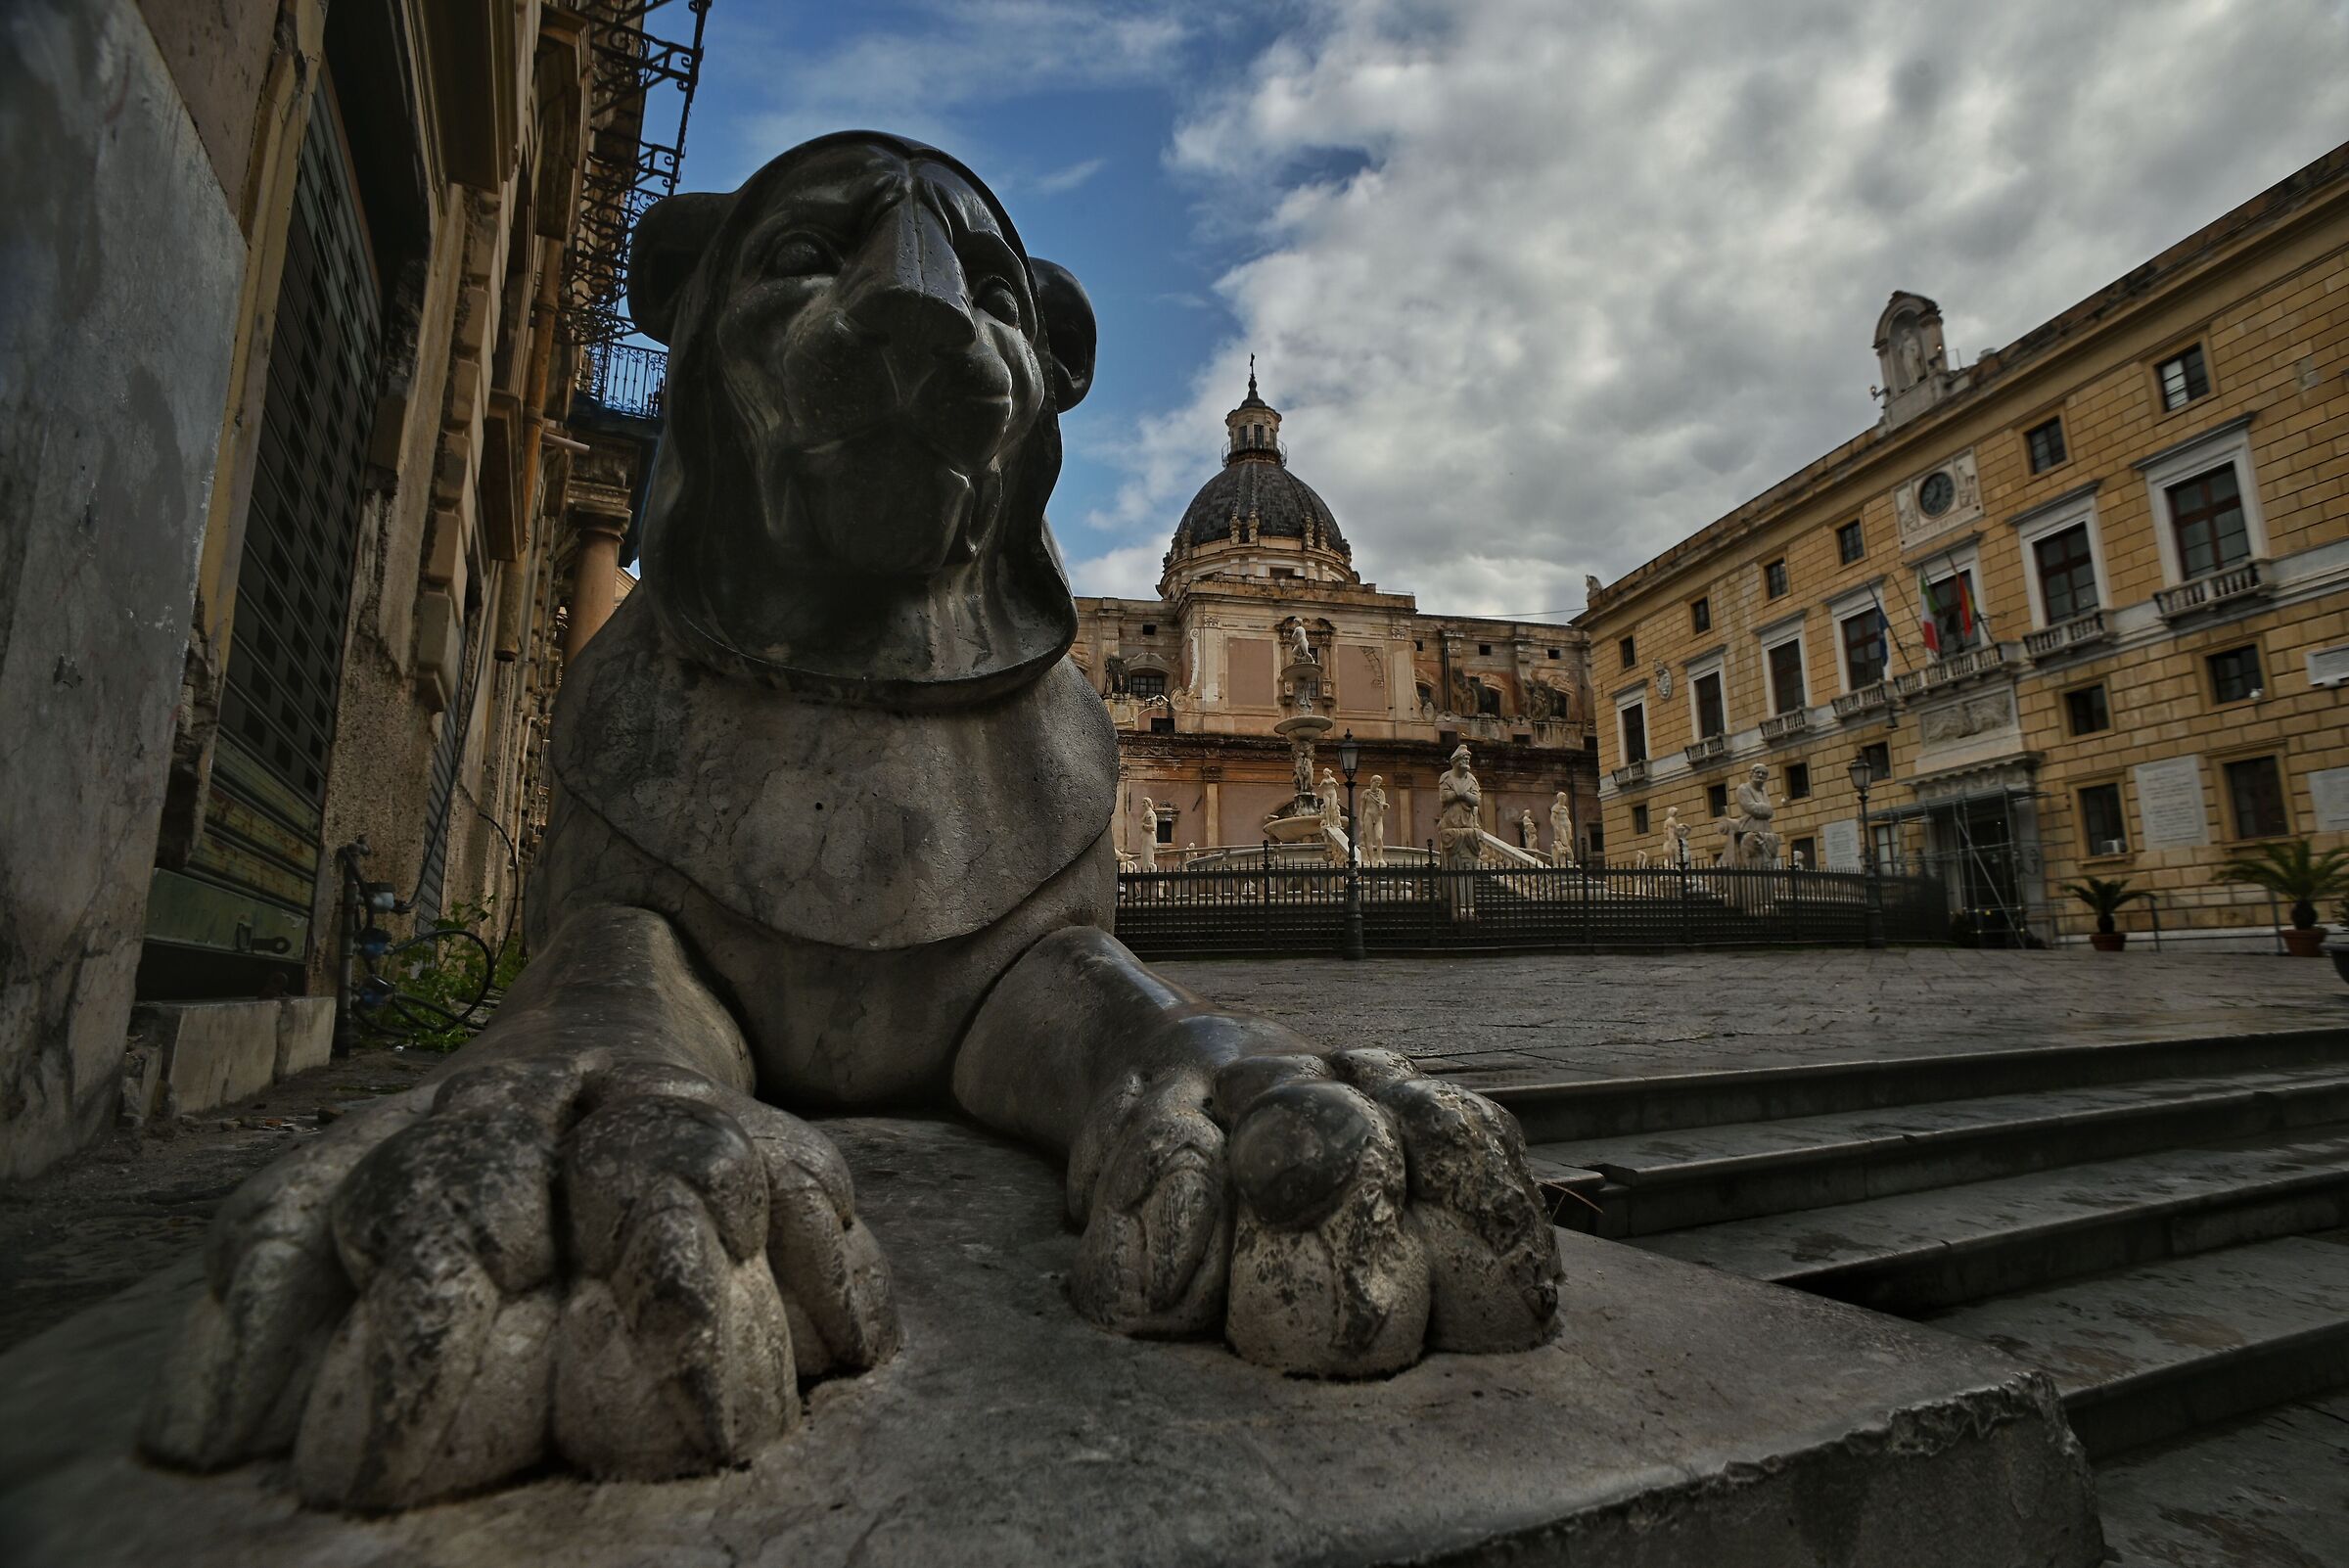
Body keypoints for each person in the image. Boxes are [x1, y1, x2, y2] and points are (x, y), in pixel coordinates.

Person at [1437, 746, 1483, 870]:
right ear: (1456, 761)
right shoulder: (1446, 777)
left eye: (1468, 759)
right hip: (1451, 820)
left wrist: (1460, 794)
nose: (1467, 760)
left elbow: (1476, 800)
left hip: (1468, 822)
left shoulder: (1472, 779)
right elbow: (1444, 797)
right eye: (1464, 758)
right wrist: (1464, 794)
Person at [1359, 774, 1388, 867]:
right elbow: (1362, 808)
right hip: (1368, 816)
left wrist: (1385, 806)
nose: (1378, 785)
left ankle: (1380, 858)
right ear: (1372, 782)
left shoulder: (1381, 793)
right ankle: (1371, 859)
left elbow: (1383, 803)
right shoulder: (1366, 794)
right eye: (1377, 782)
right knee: (1369, 838)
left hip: (1378, 817)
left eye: (1379, 783)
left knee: (1379, 838)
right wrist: (1361, 821)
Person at [1549, 790, 1575, 867]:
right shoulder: (1556, 807)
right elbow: (1552, 818)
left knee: (1568, 842)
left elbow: (1567, 817)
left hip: (1567, 825)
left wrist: (1570, 825)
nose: (1564, 799)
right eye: (1563, 798)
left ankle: (1568, 860)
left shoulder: (1565, 808)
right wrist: (1556, 826)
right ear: (1559, 798)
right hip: (1561, 826)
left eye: (1565, 798)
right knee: (1564, 842)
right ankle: (1566, 860)